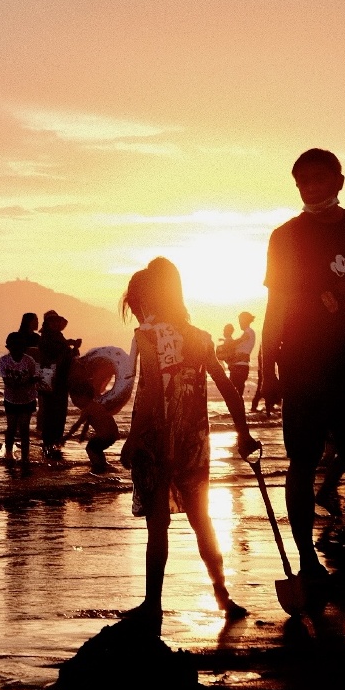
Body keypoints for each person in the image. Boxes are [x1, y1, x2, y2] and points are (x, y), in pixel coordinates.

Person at [262, 148, 345, 592]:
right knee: (302, 461)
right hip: (302, 363)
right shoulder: (285, 236)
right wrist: (267, 366)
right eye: (303, 182)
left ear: (339, 182)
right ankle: (306, 560)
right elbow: (276, 304)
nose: (311, 188)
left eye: (319, 180)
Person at [120, 258, 259, 626]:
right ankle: (222, 594)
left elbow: (148, 393)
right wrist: (243, 432)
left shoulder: (146, 336)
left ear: (148, 300)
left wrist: (132, 438)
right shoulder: (199, 336)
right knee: (202, 519)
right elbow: (228, 388)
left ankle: (153, 603)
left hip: (156, 436)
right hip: (193, 439)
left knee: (158, 524)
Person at [66, 344, 137, 473]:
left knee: (91, 448)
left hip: (106, 436)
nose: (76, 401)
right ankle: (104, 465)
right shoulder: (96, 406)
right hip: (113, 434)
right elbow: (88, 423)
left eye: (77, 398)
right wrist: (82, 435)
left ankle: (99, 466)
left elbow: (78, 424)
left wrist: (66, 437)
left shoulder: (88, 408)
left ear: (84, 397)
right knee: (96, 449)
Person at [0, 331, 44, 475]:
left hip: (27, 398)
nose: (16, 350)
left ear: (23, 348)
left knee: (24, 428)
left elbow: (35, 377)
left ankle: (25, 457)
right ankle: (9, 454)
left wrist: (26, 382)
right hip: (11, 399)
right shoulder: (3, 361)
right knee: (11, 428)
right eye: (13, 347)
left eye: (19, 347)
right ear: (9, 347)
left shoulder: (29, 361)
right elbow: (6, 380)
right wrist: (24, 382)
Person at [37, 310, 80, 461]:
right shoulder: (47, 339)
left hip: (58, 380)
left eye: (57, 321)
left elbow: (67, 357)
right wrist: (70, 349)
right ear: (48, 323)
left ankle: (52, 447)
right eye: (53, 321)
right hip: (51, 380)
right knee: (52, 413)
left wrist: (72, 348)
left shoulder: (57, 337)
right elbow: (57, 358)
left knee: (58, 413)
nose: (56, 324)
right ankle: (50, 446)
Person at [228, 312, 256, 398]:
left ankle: (238, 410)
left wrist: (227, 344)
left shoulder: (248, 332)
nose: (239, 323)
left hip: (240, 366)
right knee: (237, 393)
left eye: (240, 320)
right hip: (240, 365)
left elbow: (238, 342)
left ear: (245, 320)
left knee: (233, 392)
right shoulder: (248, 332)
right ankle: (239, 410)